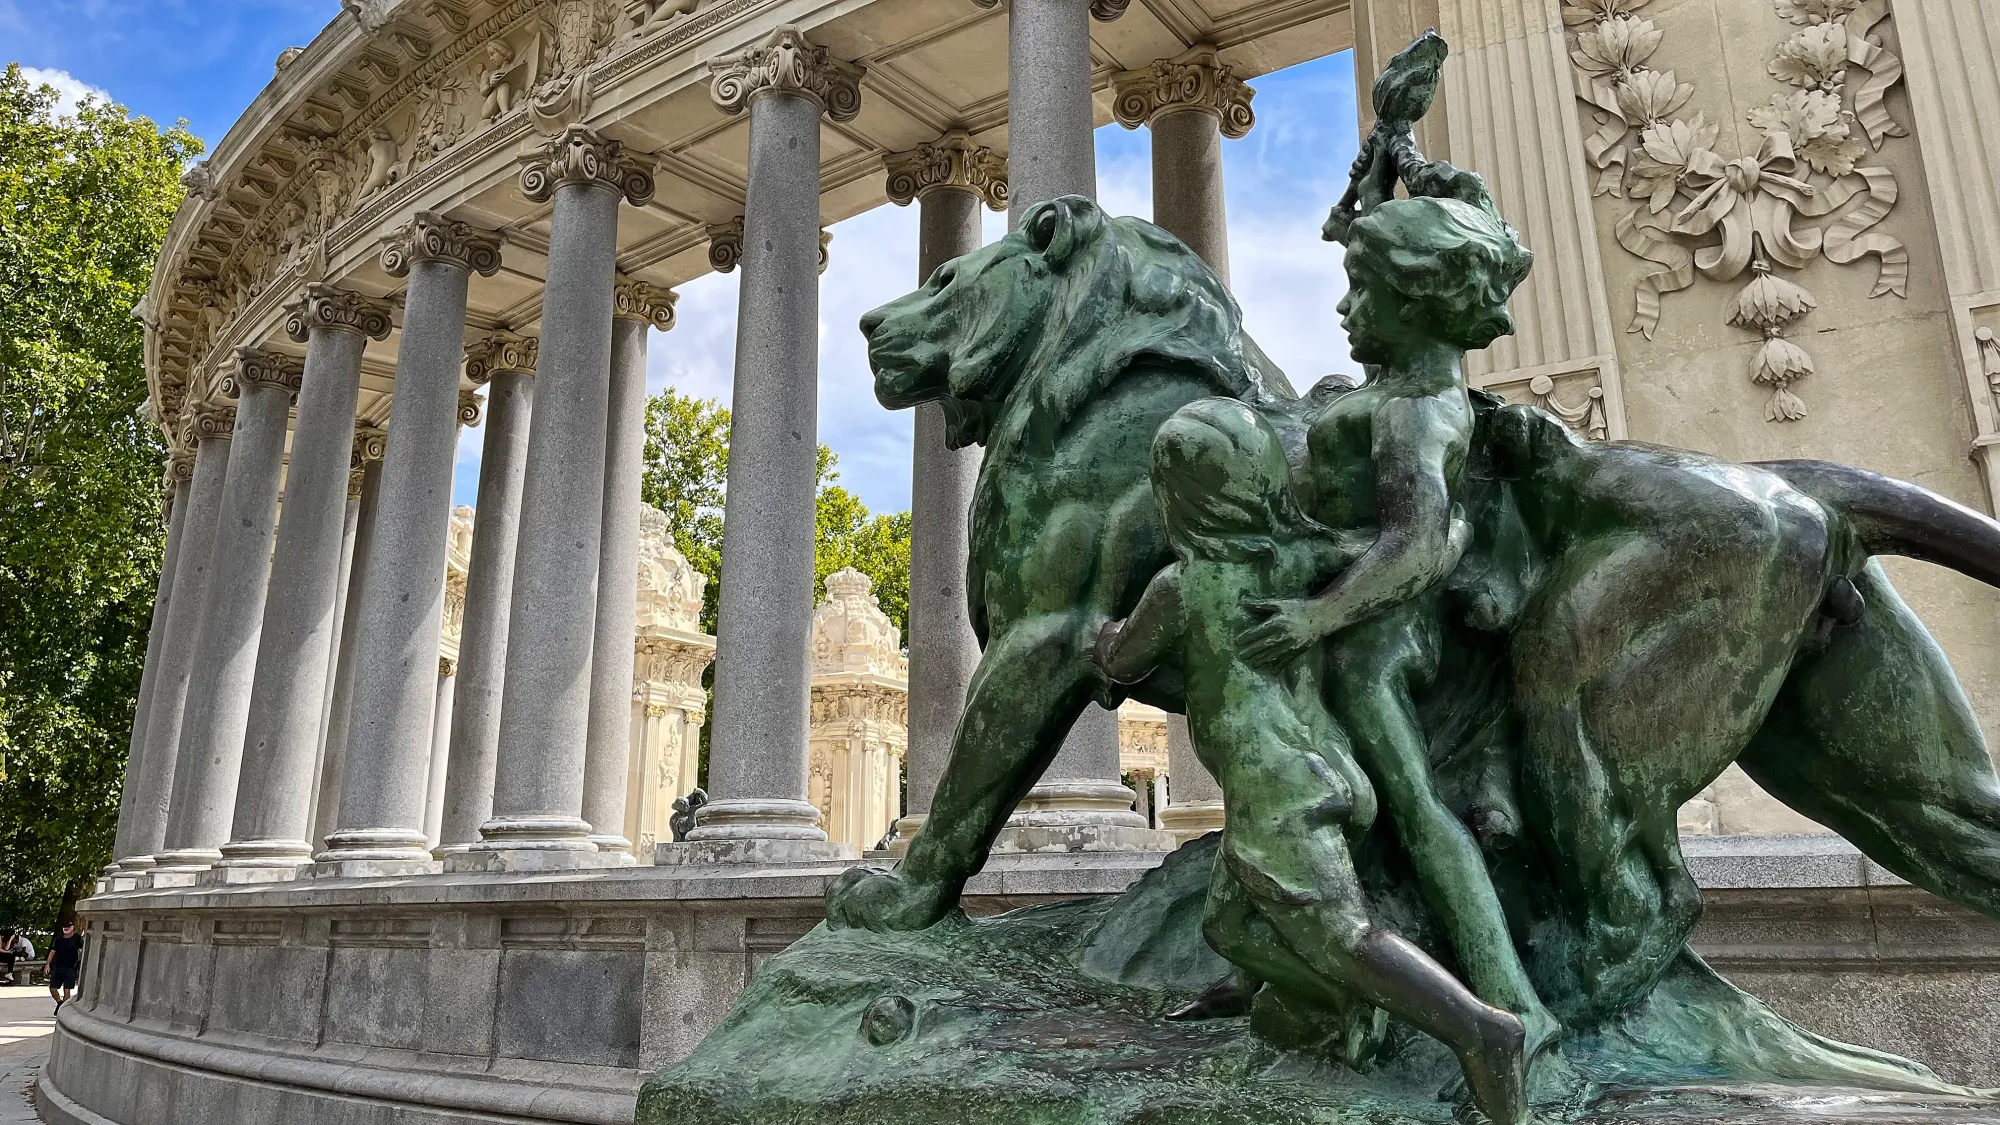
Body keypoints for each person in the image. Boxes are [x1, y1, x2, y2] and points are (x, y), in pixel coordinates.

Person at [1093, 397, 1528, 1125]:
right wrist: (1450, 531)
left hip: (1277, 791)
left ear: (1177, 501)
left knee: (1346, 937)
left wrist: (1097, 639)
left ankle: (1478, 1027)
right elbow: (1399, 557)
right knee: (1229, 927)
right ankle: (1270, 995)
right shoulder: (1294, 559)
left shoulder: (1182, 586)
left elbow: (1124, 658)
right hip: (1331, 768)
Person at [1231, 149, 1560, 1067]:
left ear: (1415, 303)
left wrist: (1314, 618)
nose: (1342, 310)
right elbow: (1476, 215)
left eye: (1362, 293)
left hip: (1375, 642)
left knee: (1419, 811)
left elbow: (1416, 544)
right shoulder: (1401, 387)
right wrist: (1402, 165)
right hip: (1359, 619)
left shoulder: (1417, 409)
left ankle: (1510, 1000)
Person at [47, 919, 83, 1013]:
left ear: (72, 928)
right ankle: (60, 1002)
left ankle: (64, 1009)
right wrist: (48, 964)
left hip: (70, 967)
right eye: (64, 927)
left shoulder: (77, 938)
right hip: (57, 966)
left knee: (67, 990)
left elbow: (83, 949)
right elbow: (52, 951)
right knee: (53, 989)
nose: (66, 929)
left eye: (68, 927)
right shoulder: (59, 939)